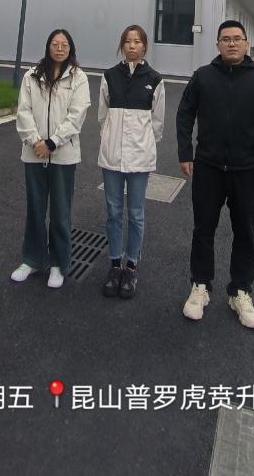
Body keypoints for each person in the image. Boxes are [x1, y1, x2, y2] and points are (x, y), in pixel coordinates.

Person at [177, 20, 254, 328]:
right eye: (226, 39)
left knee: (245, 233)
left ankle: (240, 291)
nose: (232, 44)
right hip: (208, 168)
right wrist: (185, 153)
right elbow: (185, 114)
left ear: (246, 44)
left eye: (237, 39)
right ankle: (200, 286)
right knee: (203, 230)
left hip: (246, 171)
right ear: (217, 45)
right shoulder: (203, 77)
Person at [11, 29, 90, 289]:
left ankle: (58, 263)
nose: (59, 48)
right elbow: (23, 111)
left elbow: (76, 116)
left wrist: (52, 142)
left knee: (60, 211)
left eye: (64, 44)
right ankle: (32, 259)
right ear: (48, 47)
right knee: (35, 209)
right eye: (55, 44)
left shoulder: (78, 77)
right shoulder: (32, 75)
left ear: (71, 48)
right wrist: (36, 141)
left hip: (63, 155)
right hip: (34, 153)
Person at [98, 24, 165, 299]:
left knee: (136, 214)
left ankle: (132, 267)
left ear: (144, 46)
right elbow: (102, 117)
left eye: (137, 41)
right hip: (112, 157)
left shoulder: (155, 79)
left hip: (140, 158)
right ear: (122, 45)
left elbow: (157, 124)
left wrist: (142, 144)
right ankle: (115, 265)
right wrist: (111, 139)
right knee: (113, 212)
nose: (132, 46)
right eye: (127, 41)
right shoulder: (109, 76)